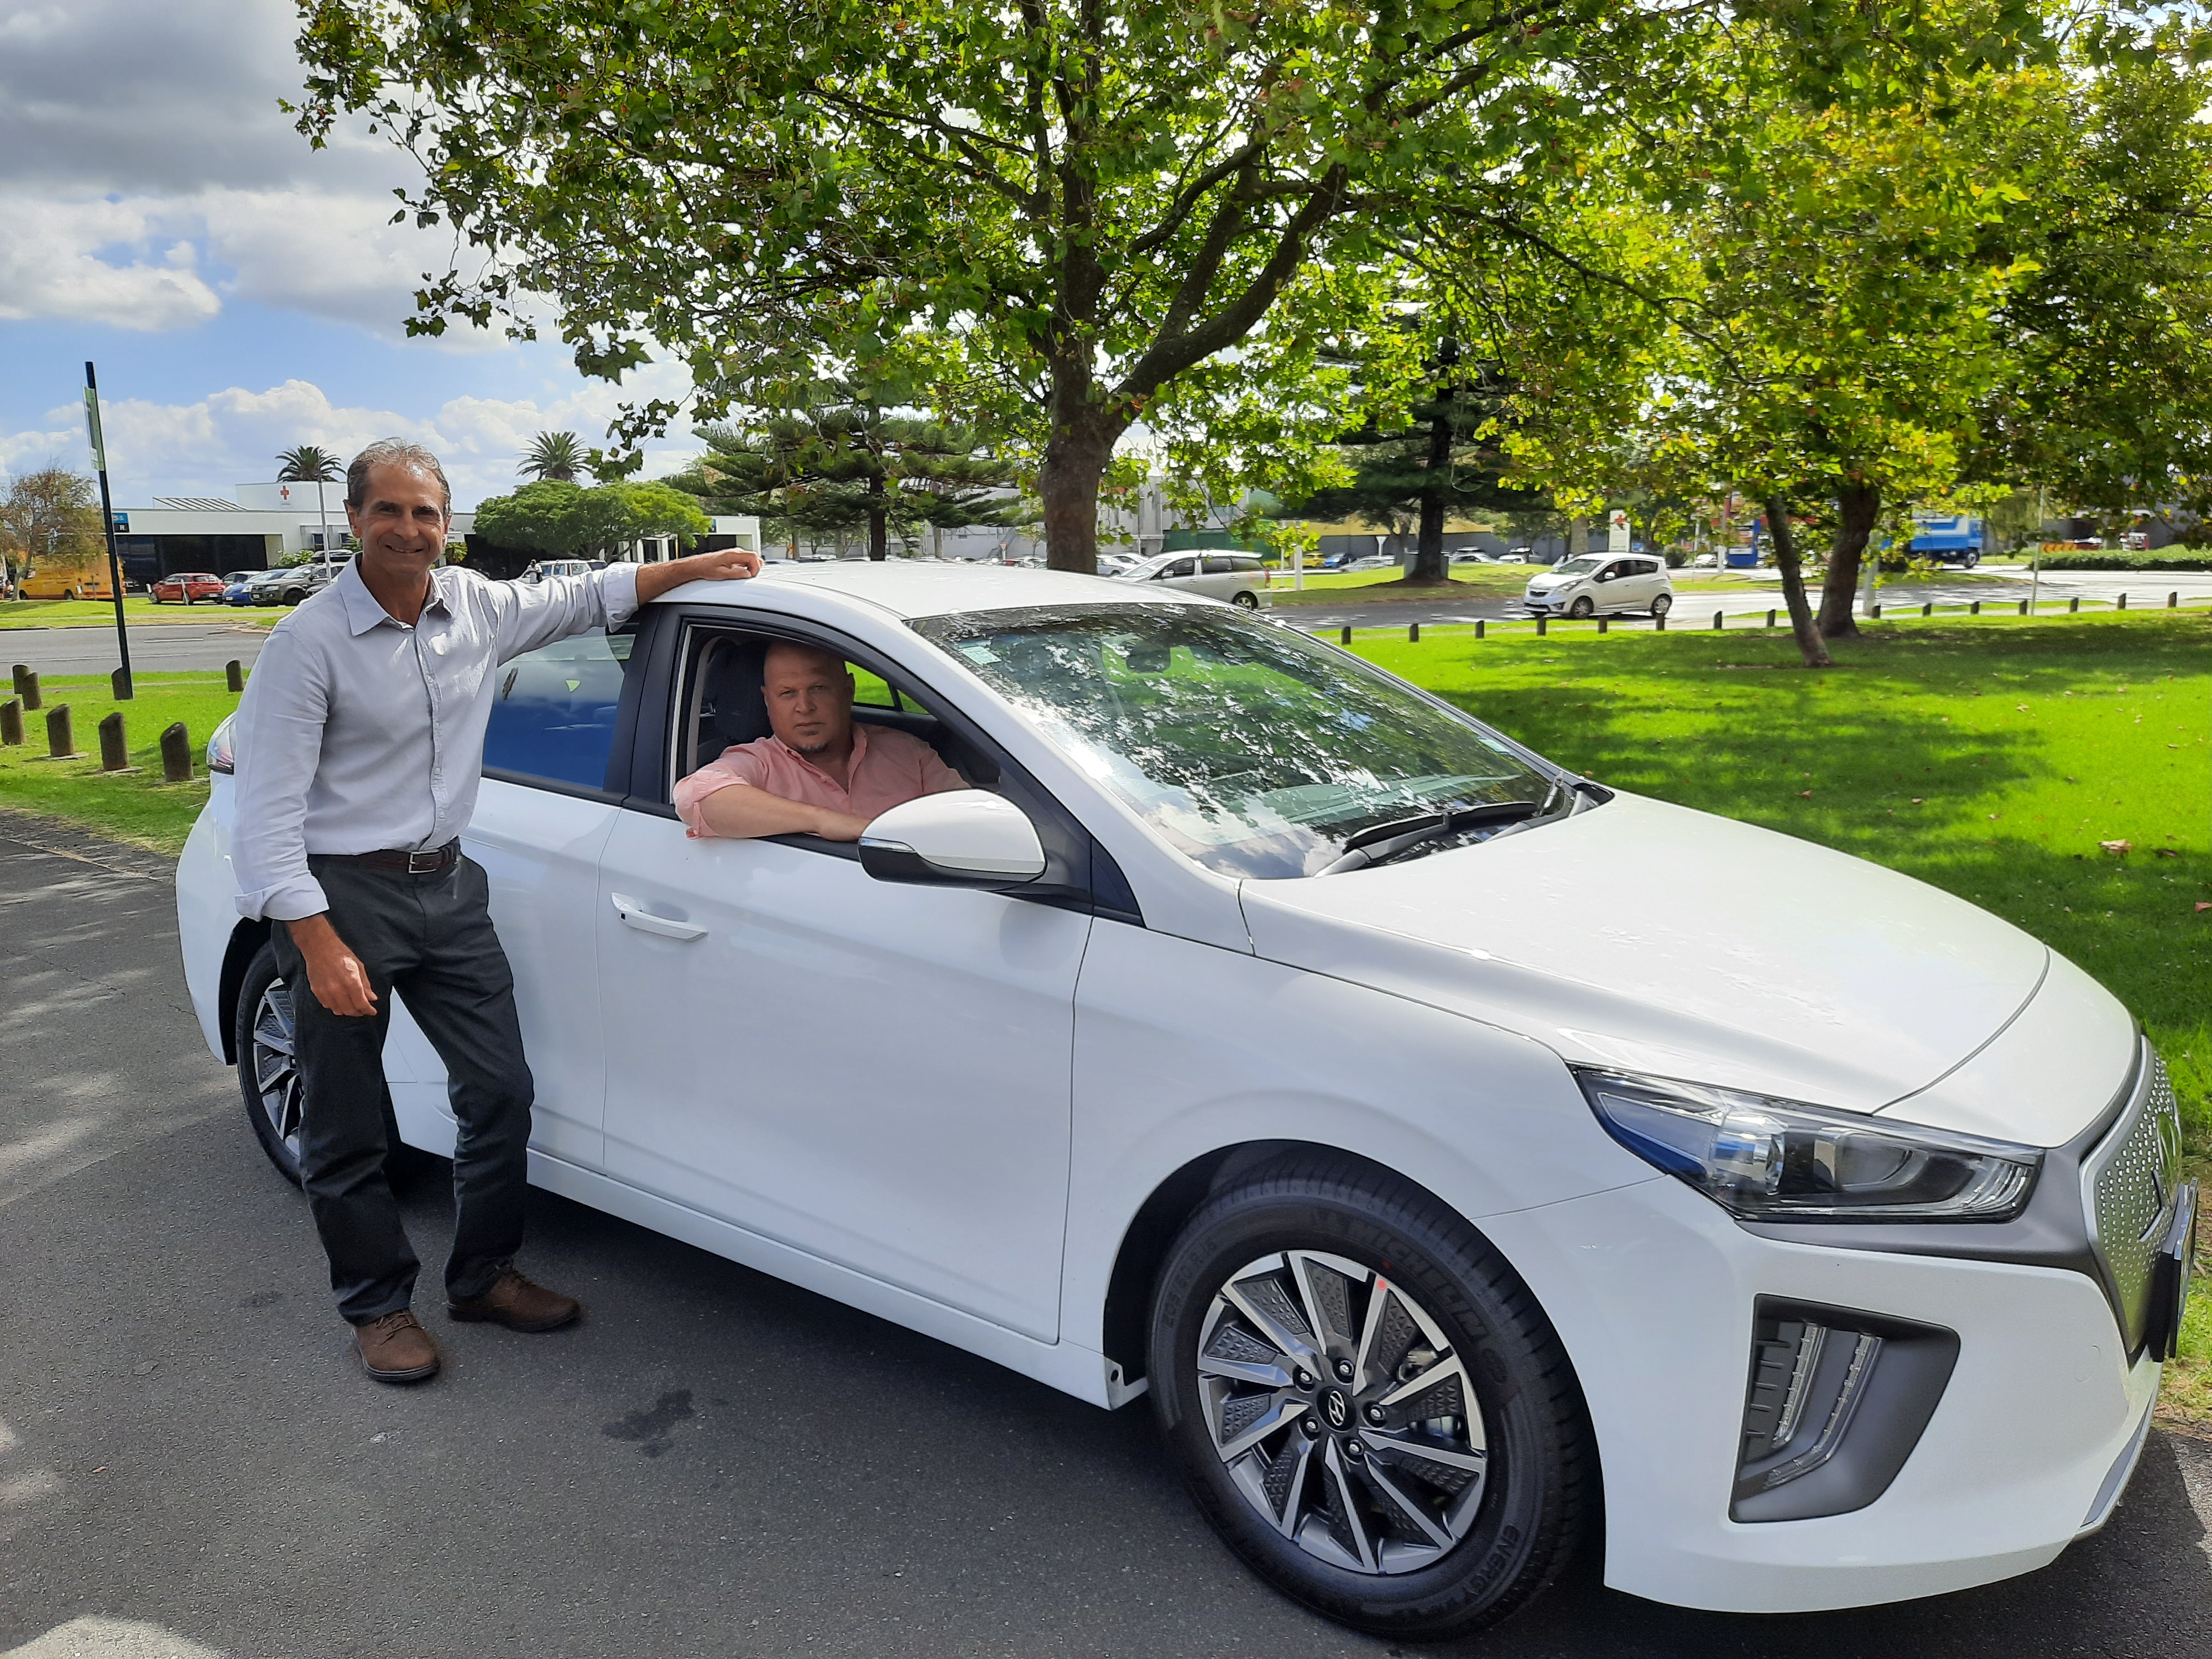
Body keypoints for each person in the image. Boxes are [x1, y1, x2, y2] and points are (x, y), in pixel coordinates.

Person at [231, 438, 761, 1384]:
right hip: (343, 894)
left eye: (425, 513)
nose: (408, 529)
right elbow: (265, 814)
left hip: (449, 885)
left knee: (500, 1090)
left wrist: (704, 566)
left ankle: (481, 1277)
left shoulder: (474, 605)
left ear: (447, 523)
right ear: (354, 520)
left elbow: (590, 596)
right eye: (388, 511)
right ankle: (378, 1309)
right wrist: (313, 939)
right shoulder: (307, 643)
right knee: (349, 1122)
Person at [674, 640, 964, 840]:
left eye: (819, 688)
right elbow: (695, 797)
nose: (804, 707)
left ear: (848, 689)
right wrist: (824, 821)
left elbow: (968, 819)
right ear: (767, 700)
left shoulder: (906, 751)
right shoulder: (757, 762)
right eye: (787, 693)